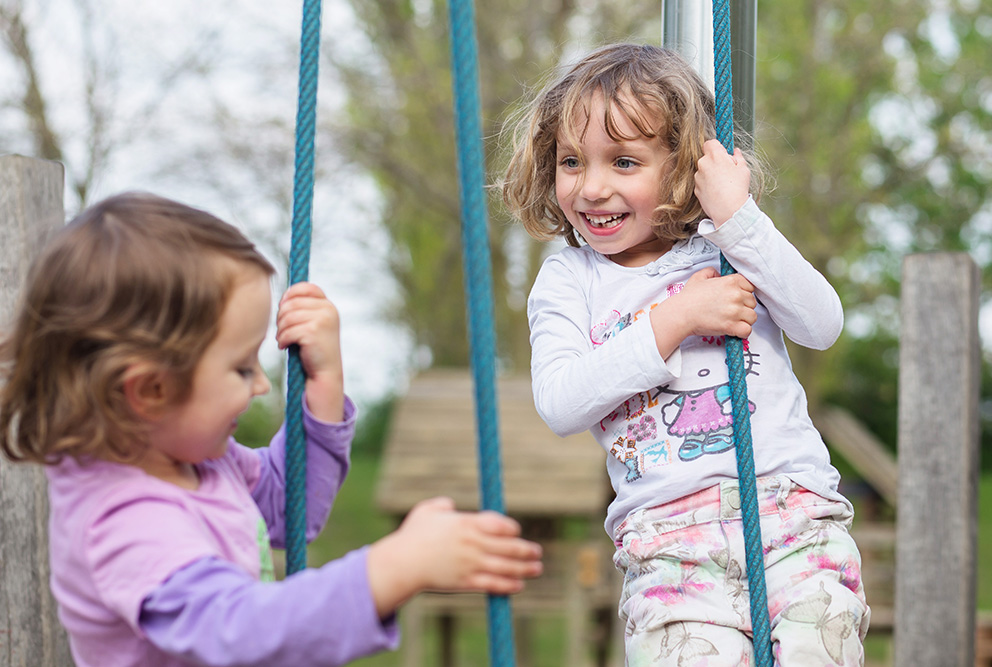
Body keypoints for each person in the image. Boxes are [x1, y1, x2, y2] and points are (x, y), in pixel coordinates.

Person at [0, 193, 543, 667]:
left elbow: (287, 508)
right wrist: (393, 567)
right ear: (149, 390)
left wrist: (324, 383)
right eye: (240, 367)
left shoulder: (198, 464)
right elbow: (240, 629)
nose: (261, 385)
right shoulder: (126, 522)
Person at [501, 43, 869, 666]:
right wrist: (674, 319)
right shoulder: (569, 279)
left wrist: (740, 219)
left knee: (819, 648)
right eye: (570, 162)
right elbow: (561, 402)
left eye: (623, 161)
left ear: (682, 165)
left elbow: (821, 324)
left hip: (790, 514)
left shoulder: (725, 244)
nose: (591, 187)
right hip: (666, 543)